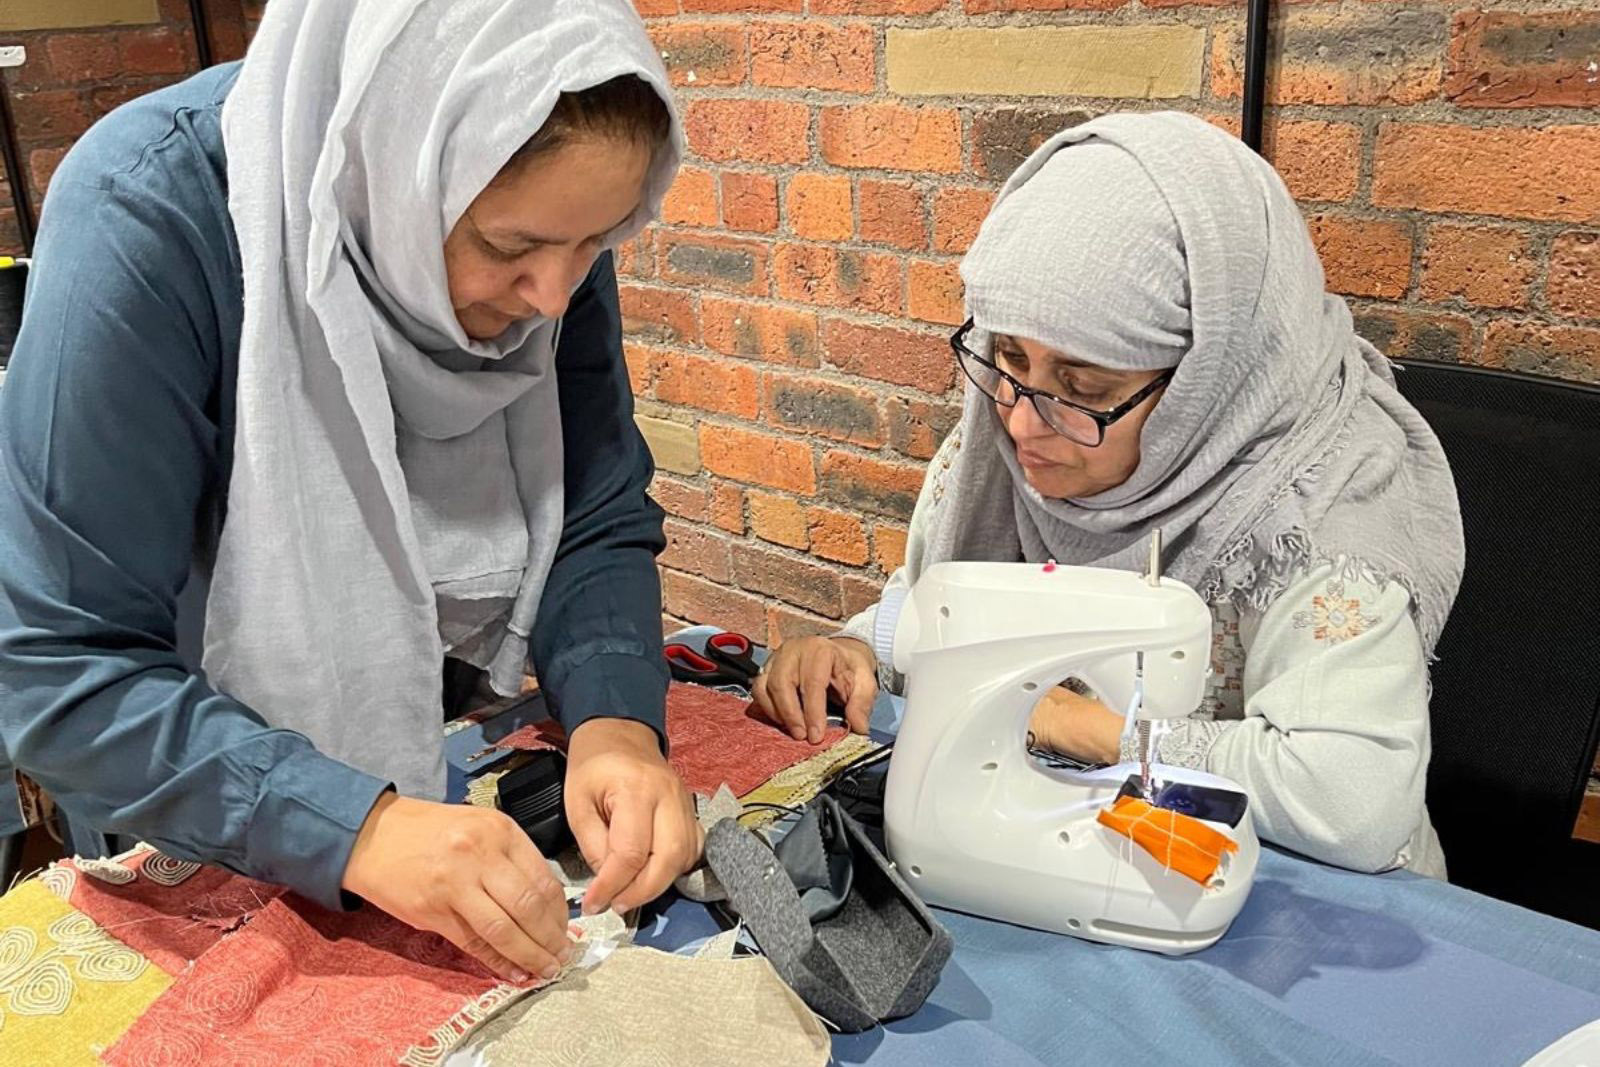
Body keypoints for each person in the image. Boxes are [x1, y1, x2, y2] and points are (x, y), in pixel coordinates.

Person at [0, 0, 702, 984]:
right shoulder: (149, 220)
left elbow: (591, 504)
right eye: (509, 250)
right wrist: (357, 826)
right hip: (200, 779)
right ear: (392, 170)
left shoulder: (545, 233)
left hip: (453, 746)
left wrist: (616, 720)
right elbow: (62, 669)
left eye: (597, 242)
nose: (553, 297)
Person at [753, 112, 1464, 879]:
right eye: (1009, 357)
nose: (1025, 421)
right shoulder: (1007, 440)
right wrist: (855, 648)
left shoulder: (1325, 506)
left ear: (1204, 380)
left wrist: (1092, 728)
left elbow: (1350, 799)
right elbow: (936, 612)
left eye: (1084, 387)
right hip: (1062, 860)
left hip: (1308, 907)